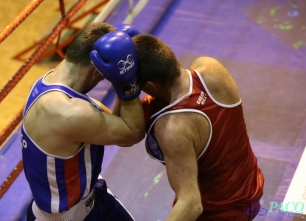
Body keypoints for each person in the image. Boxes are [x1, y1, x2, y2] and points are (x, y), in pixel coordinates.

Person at [20, 22, 145, 221]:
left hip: (93, 199)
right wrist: (126, 82)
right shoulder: (68, 112)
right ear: (96, 69)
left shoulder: (49, 83)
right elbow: (132, 132)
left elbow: (118, 124)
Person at [132, 33, 264, 220]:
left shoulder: (171, 128)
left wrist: (124, 89)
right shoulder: (210, 67)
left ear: (151, 86)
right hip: (251, 189)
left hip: (216, 214)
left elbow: (191, 204)